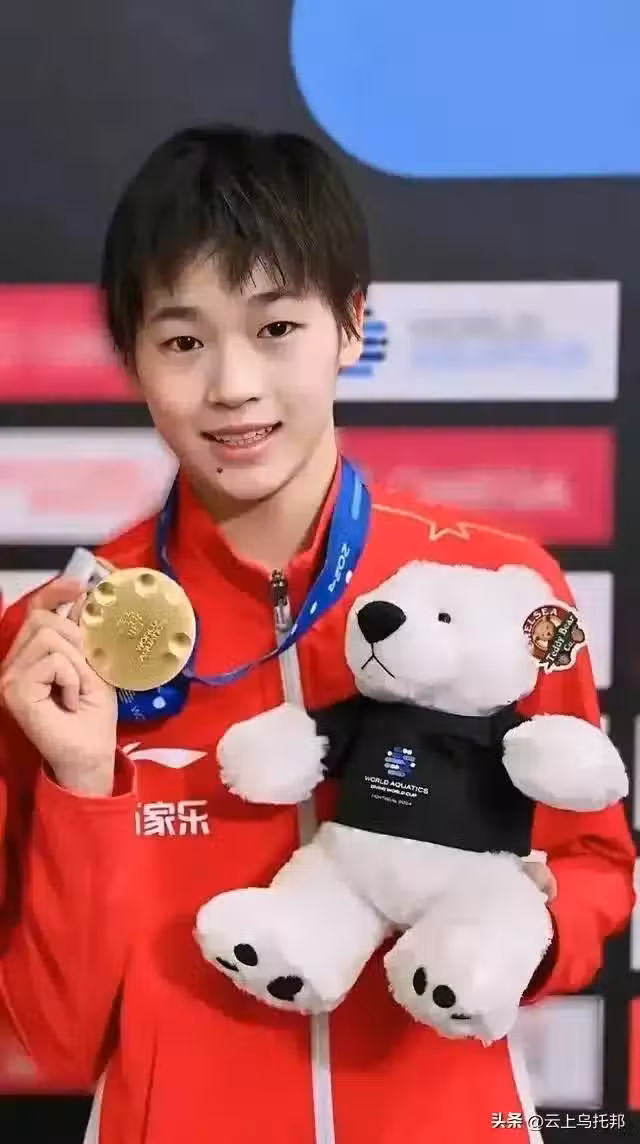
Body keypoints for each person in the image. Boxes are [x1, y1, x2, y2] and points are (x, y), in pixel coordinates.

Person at [0, 126, 634, 1144]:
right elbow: (60, 1038)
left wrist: (517, 937)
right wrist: (84, 784)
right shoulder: (60, 646)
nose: (233, 385)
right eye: (183, 341)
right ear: (132, 357)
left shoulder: (505, 595)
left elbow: (595, 858)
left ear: (351, 324)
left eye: (276, 327)